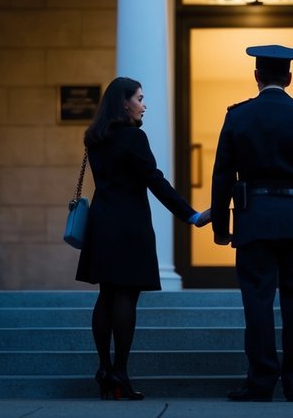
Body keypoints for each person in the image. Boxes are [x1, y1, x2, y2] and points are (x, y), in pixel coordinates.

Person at [211, 44, 293, 403]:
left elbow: (222, 176)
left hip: (254, 220)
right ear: (289, 78)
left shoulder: (238, 116)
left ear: (257, 77)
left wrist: (221, 226)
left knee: (258, 302)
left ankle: (262, 380)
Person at [75, 76, 211, 400]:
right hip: (128, 225)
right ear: (125, 102)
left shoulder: (95, 138)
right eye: (139, 98)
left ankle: (105, 368)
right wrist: (191, 215)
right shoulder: (133, 138)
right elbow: (154, 180)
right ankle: (120, 371)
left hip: (101, 222)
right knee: (125, 298)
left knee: (106, 295)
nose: (144, 104)